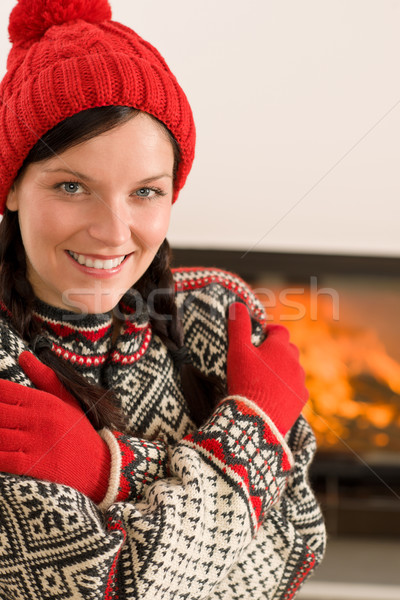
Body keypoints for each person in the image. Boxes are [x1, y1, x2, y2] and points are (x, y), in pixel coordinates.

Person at [0, 1, 326, 599]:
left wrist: (107, 471)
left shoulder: (217, 310)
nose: (114, 230)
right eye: (72, 186)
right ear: (14, 185)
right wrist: (253, 430)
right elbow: (104, 592)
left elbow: (298, 548)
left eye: (145, 192)